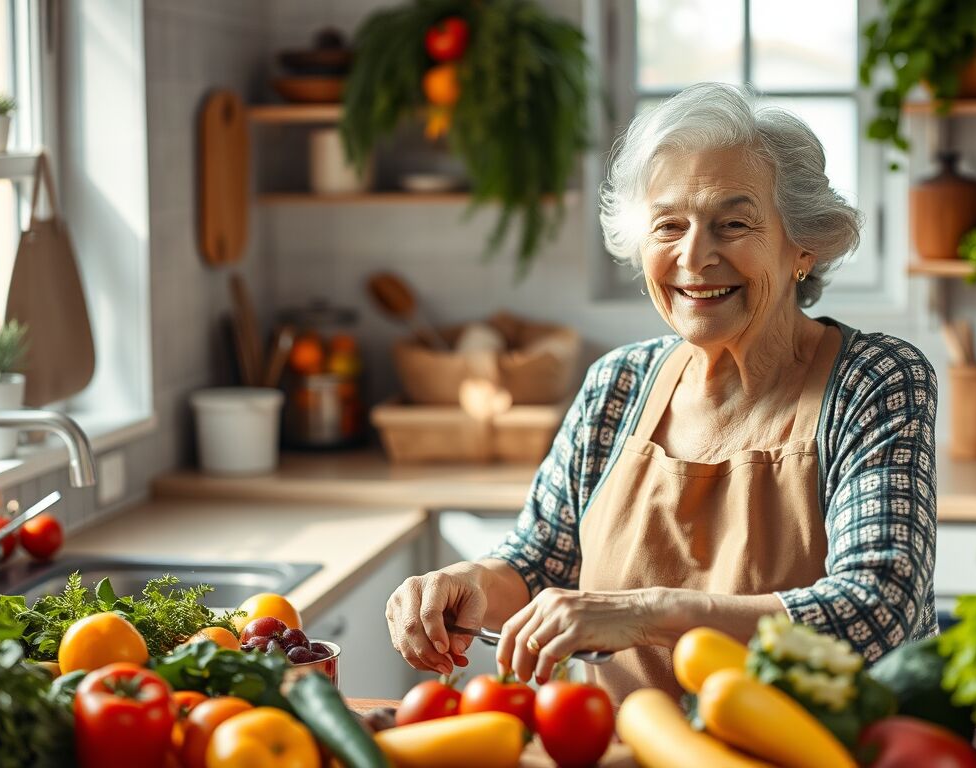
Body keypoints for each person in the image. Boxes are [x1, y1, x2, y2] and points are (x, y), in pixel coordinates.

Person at [386, 82, 938, 702]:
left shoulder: (875, 379)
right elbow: (539, 561)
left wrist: (645, 612)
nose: (694, 257)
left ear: (802, 246)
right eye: (668, 226)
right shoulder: (617, 384)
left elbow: (876, 609)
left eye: (733, 224)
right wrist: (472, 581)